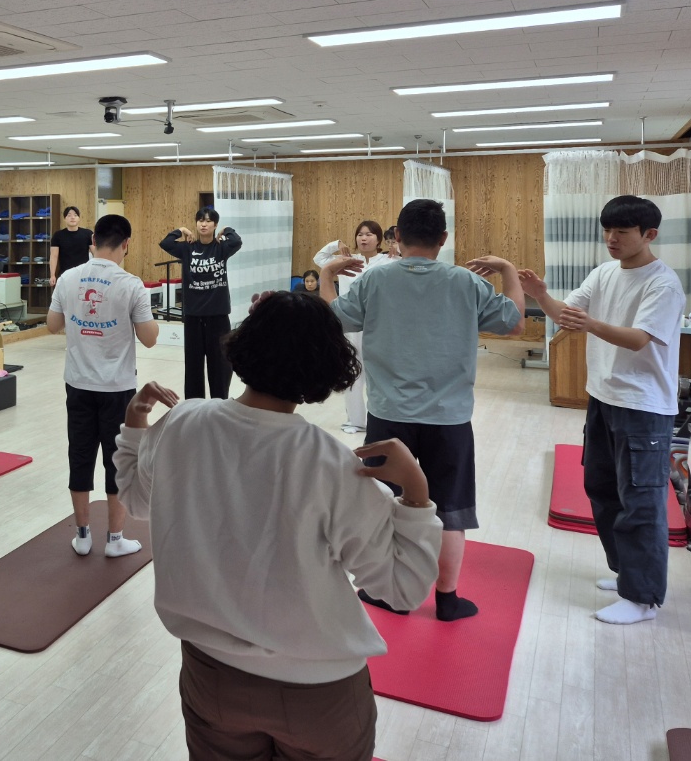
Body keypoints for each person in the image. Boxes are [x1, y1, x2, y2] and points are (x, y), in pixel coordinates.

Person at [115, 291, 441, 761]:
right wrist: (416, 495)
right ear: (327, 367)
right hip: (319, 692)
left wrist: (134, 426)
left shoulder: (183, 421)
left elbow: (135, 502)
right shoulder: (333, 464)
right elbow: (402, 588)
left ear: (243, 345)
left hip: (210, 675)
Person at [318, 198, 522, 621]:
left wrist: (325, 275)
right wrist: (508, 271)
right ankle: (447, 599)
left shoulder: (375, 280)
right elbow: (515, 322)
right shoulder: (466, 282)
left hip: (389, 415)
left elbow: (332, 321)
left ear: (396, 236)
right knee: (450, 510)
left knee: (384, 505)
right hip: (449, 419)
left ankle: (387, 592)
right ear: (443, 239)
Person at [519, 195, 685, 625]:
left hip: (644, 406)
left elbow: (639, 339)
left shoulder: (663, 284)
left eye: (622, 232)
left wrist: (590, 323)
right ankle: (627, 572)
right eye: (607, 230)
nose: (611, 239)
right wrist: (541, 294)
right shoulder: (603, 272)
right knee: (602, 489)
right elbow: (567, 316)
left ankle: (642, 598)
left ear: (649, 235)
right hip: (603, 397)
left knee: (641, 501)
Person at [46, 213, 156, 557]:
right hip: (117, 387)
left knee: (80, 456)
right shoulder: (132, 284)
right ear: (126, 244)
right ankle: (114, 539)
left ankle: (82, 536)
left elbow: (52, 325)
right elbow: (150, 338)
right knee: (117, 461)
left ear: (92, 241)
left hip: (78, 383)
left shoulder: (68, 277)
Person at [312, 221, 393, 434]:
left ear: (379, 239)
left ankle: (381, 417)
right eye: (360, 234)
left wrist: (398, 249)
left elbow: (410, 262)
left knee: (379, 372)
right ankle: (356, 421)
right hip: (349, 322)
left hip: (378, 323)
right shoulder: (345, 261)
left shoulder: (387, 261)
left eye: (369, 234)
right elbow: (319, 258)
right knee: (353, 372)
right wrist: (336, 244)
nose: (364, 238)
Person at [160, 208, 243, 400]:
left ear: (214, 225)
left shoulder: (221, 248)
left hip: (218, 317)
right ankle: (194, 405)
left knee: (220, 366)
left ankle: (219, 403)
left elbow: (237, 241)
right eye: (200, 221)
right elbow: (166, 243)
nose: (203, 224)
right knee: (193, 365)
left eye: (208, 221)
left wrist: (226, 230)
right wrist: (181, 230)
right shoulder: (187, 248)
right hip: (193, 317)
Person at [48, 206, 92, 287]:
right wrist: (52, 275)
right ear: (65, 218)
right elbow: (54, 256)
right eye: (69, 215)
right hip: (65, 273)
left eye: (75, 215)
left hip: (84, 274)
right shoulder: (58, 235)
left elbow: (96, 253)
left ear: (79, 218)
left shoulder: (88, 234)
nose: (72, 217)